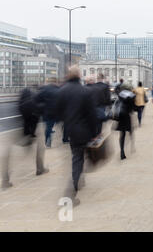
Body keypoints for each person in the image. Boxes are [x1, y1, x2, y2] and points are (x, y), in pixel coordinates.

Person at [55, 65, 97, 206]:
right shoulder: (85, 91)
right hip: (84, 130)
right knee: (78, 160)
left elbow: (58, 113)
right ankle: (70, 195)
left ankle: (80, 179)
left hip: (70, 130)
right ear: (79, 76)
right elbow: (92, 115)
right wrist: (94, 133)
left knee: (77, 157)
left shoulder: (62, 91)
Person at [34, 77, 59, 148]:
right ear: (55, 82)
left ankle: (48, 139)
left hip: (46, 111)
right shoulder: (58, 89)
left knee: (48, 126)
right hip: (56, 112)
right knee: (51, 126)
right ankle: (50, 133)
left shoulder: (45, 89)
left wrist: (41, 106)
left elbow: (36, 99)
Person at [115, 88, 135, 160]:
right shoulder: (131, 97)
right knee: (130, 132)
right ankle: (132, 146)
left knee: (122, 135)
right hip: (127, 117)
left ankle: (122, 151)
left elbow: (116, 106)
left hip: (121, 118)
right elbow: (132, 109)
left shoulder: (120, 96)